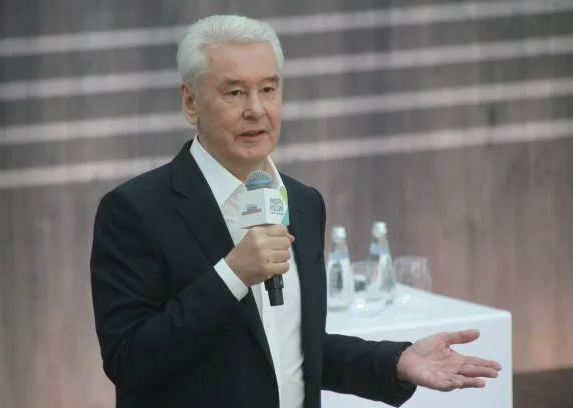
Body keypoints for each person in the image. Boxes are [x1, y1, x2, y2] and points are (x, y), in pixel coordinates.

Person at [90, 14, 501, 408]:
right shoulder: (135, 211)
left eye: (268, 89)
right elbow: (129, 361)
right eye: (235, 93)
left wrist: (396, 361)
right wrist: (232, 275)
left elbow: (293, 349)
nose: (256, 109)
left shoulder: (302, 202)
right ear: (190, 102)